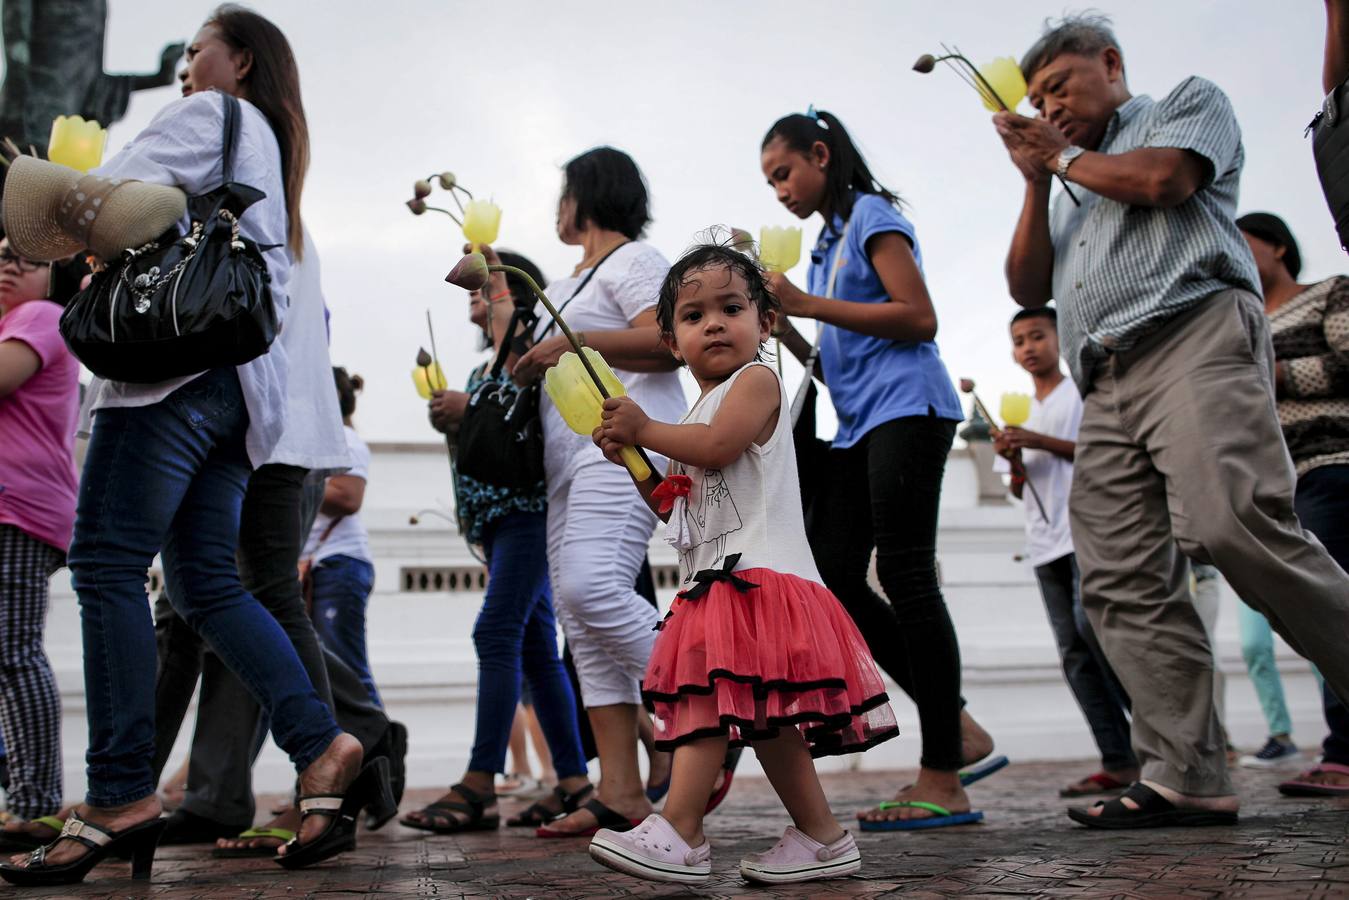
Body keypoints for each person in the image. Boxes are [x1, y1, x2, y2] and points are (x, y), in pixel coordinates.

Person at [0, 8, 378, 884]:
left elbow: (101, 206)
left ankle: (121, 792)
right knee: (209, 585)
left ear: (237, 60)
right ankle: (320, 745)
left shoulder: (210, 115)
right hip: (239, 397)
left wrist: (41, 183)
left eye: (199, 46)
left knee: (104, 565)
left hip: (164, 381)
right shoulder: (271, 153)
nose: (184, 63)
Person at [996, 13, 1349, 829]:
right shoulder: (1065, 175)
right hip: (1104, 380)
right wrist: (1035, 179)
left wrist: (1063, 159)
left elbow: (1164, 182)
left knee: (1234, 528)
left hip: (1191, 332)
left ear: (1110, 64)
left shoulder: (1183, 103)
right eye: (1034, 97)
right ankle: (1185, 772)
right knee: (1117, 580)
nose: (1046, 105)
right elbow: (1025, 288)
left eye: (1058, 85)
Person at [586, 242, 897, 886]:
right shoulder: (692, 414)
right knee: (767, 721)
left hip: (760, 577)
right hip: (719, 580)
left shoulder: (755, 383)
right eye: (695, 316)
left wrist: (644, 428)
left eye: (732, 307)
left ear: (766, 323)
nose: (716, 324)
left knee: (705, 700)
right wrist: (635, 462)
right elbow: (680, 507)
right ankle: (823, 837)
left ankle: (680, 828)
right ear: (672, 341)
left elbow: (720, 448)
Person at [760, 109, 997, 830]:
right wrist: (788, 324)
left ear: (821, 155)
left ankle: (943, 776)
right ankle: (955, 724)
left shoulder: (871, 215)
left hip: (909, 409)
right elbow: (836, 362)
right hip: (859, 421)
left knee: (905, 573)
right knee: (834, 570)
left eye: (783, 173)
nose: (778, 192)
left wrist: (807, 301)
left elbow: (917, 317)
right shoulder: (826, 243)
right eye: (769, 181)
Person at [507, 147, 686, 837]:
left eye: (563, 193)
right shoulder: (570, 278)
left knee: (591, 591)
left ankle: (707, 705)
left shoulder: (634, 260)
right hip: (565, 464)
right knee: (580, 628)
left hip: (617, 448)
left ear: (590, 193)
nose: (556, 209)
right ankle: (620, 791)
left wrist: (571, 342)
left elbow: (669, 340)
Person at [407, 249, 593, 833]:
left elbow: (519, 404)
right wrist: (457, 419)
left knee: (495, 631)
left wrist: (473, 405)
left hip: (525, 514)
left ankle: (479, 782)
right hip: (497, 522)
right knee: (538, 650)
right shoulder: (483, 366)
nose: (475, 297)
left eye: (485, 290)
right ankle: (573, 783)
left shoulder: (521, 353)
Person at [993, 307, 1139, 797]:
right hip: (1044, 542)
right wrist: (1015, 460)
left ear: (1061, 338)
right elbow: (1019, 490)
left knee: (1095, 632)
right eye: (1019, 340)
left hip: (1090, 530)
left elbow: (1101, 452)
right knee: (1075, 654)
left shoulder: (1081, 390)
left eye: (1038, 336)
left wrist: (1038, 441)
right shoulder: (1020, 409)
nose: (1029, 347)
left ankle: (1162, 742)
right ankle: (1118, 759)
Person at [1237, 211, 1349, 796]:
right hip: (1278, 484)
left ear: (1279, 246)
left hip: (1333, 463)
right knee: (1313, 611)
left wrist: (1271, 373)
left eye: (1243, 241)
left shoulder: (1330, 293)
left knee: (1331, 606)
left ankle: (1344, 750)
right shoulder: (1238, 321)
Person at [0, 238, 79, 850]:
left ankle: (33, 803)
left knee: (12, 651)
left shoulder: (40, 317)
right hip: (17, 508)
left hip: (16, 508)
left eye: (27, 257)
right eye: (2, 254)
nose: (10, 264)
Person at [303, 368, 381, 708]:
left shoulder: (345, 440)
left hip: (338, 564)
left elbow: (348, 498)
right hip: (324, 567)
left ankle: (380, 753)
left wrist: (291, 480)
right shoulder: (321, 442)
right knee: (330, 672)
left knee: (346, 672)